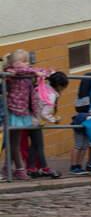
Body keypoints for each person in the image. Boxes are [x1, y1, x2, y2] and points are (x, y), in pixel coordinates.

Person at [2, 50, 50, 181]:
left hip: (23, 111)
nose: (27, 64)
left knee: (14, 143)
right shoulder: (11, 71)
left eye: (27, 61)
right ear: (14, 63)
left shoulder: (26, 73)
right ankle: (19, 169)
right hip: (15, 110)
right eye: (23, 61)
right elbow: (21, 71)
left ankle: (7, 167)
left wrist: (39, 72)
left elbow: (42, 70)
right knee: (14, 143)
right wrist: (33, 72)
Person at [28, 71, 68, 178]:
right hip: (36, 122)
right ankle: (44, 168)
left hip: (30, 119)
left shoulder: (43, 88)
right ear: (60, 86)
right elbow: (44, 113)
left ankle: (31, 167)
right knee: (39, 145)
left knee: (34, 145)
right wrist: (54, 120)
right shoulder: (51, 95)